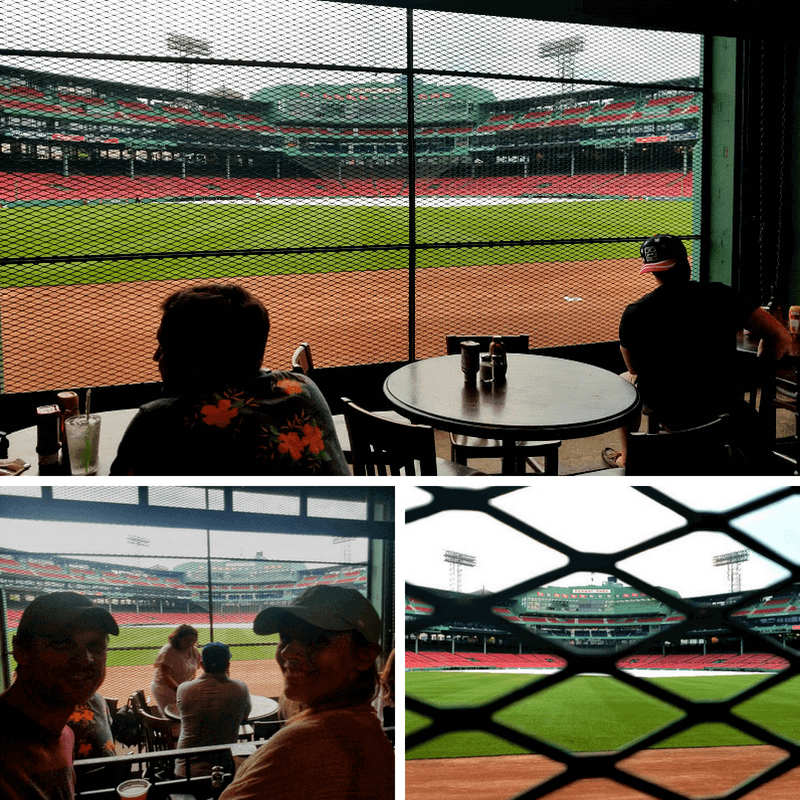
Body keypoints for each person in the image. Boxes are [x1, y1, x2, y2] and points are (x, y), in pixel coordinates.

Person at [110, 283, 349, 476]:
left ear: (195, 361)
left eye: (164, 348)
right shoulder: (302, 387)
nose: (155, 357)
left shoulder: (158, 420)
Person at [602, 234, 791, 469]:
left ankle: (628, 457)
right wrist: (758, 373)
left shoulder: (635, 312)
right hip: (726, 408)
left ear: (652, 272)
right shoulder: (722, 295)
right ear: (685, 264)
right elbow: (780, 337)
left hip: (671, 411)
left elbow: (635, 369)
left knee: (625, 381)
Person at [219, 585, 394, 800]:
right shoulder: (366, 727)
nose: (287, 651)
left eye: (315, 639)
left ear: (364, 655)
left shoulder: (307, 739)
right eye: (285, 637)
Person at [0, 591, 119, 800]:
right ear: (20, 650)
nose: (85, 659)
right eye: (62, 643)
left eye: (96, 646)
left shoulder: (65, 736)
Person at [175, 642, 252, 778]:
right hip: (224, 772)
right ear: (228, 665)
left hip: (185, 773)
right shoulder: (241, 688)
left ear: (202, 665)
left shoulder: (184, 689)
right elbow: (244, 717)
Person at [150, 623, 200, 717]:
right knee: (170, 716)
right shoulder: (168, 650)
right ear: (178, 638)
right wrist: (178, 690)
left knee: (183, 714)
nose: (190, 644)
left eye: (193, 641)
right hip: (165, 690)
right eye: (187, 640)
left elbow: (196, 670)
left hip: (181, 688)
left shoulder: (194, 651)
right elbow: (165, 675)